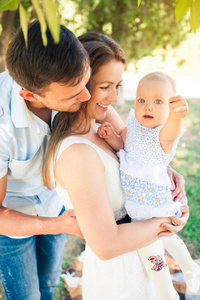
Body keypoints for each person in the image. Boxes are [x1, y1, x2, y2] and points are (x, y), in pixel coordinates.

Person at [42, 33, 189, 300]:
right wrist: (168, 219)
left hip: (147, 246)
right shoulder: (77, 153)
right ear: (81, 83)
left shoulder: (101, 115)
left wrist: (169, 176)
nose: (114, 97)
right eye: (105, 86)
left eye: (118, 85)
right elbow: (106, 245)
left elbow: (140, 152)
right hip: (122, 274)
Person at [0, 20, 92, 300]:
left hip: (55, 203)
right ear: (30, 95)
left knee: (48, 285)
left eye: (85, 84)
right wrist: (60, 225)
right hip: (12, 222)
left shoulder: (71, 78)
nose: (86, 96)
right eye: (74, 95)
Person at [98, 72, 200, 298]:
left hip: (153, 202)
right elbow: (124, 145)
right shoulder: (133, 123)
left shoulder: (163, 134)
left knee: (150, 248)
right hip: (137, 202)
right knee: (167, 236)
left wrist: (176, 116)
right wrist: (111, 137)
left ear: (169, 107)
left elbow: (172, 132)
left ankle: (167, 293)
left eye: (158, 102)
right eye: (141, 100)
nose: (148, 107)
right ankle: (191, 269)